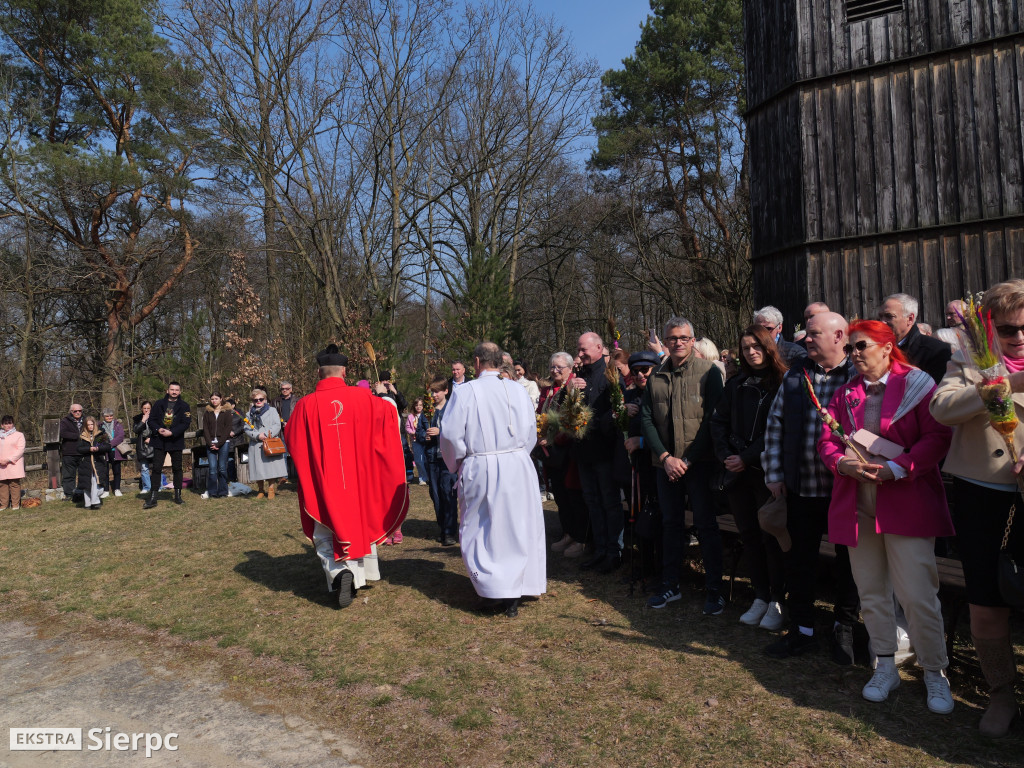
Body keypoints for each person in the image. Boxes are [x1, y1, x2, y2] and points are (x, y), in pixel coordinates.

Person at [819, 319, 954, 713]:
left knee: (917, 595)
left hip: (906, 503)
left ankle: (934, 671)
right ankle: (884, 664)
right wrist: (842, 465)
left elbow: (937, 437)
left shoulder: (918, 384)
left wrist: (901, 467)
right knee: (872, 592)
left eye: (861, 346)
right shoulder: (845, 394)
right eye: (851, 349)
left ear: (886, 346)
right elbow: (827, 440)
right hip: (859, 505)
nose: (854, 354)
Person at [931, 278, 1024, 736]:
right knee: (987, 603)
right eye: (1008, 329)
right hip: (982, 495)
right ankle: (1002, 694)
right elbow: (942, 409)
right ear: (990, 328)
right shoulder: (968, 359)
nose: (1019, 337)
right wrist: (998, 385)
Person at [761, 312, 862, 662]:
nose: (806, 339)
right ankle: (802, 630)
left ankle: (844, 630)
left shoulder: (858, 376)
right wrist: (774, 474)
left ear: (839, 337)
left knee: (849, 565)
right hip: (801, 489)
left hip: (845, 492)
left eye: (814, 334)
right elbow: (774, 428)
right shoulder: (794, 377)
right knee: (799, 563)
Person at [283, 344, 408, 608]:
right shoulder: (363, 398)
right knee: (360, 522)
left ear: (319, 373)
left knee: (325, 529)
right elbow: (389, 418)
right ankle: (359, 574)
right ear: (344, 371)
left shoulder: (305, 405)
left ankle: (340, 573)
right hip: (357, 480)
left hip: (324, 481)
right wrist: (386, 398)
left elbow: (292, 440)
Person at [440, 342, 546, 618]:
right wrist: (519, 455)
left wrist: (459, 460)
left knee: (481, 526)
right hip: (518, 463)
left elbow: (450, 435)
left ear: (476, 362)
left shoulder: (465, 392)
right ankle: (516, 587)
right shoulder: (518, 390)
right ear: (500, 361)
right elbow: (530, 430)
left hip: (482, 464)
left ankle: (495, 588)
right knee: (516, 525)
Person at [641, 317, 726, 614]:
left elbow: (713, 420)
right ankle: (670, 584)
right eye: (672, 338)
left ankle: (715, 590)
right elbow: (647, 419)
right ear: (665, 341)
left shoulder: (709, 373)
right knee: (671, 525)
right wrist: (666, 458)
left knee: (706, 525)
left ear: (692, 340)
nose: (678, 342)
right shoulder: (656, 377)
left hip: (698, 463)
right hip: (665, 465)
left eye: (683, 338)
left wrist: (687, 459)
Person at [711, 325, 789, 631]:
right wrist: (727, 456)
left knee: (771, 538)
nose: (751, 352)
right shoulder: (737, 383)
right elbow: (718, 421)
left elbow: (778, 430)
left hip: (766, 473)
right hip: (736, 473)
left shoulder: (782, 382)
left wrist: (747, 457)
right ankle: (759, 595)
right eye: (745, 348)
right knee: (750, 537)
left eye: (756, 346)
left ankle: (777, 599)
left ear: (768, 346)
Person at [573, 332, 626, 574]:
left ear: (598, 347)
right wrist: (570, 391)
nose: (581, 354)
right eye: (579, 350)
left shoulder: (610, 374)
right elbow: (568, 409)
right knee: (593, 502)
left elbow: (618, 408)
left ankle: (614, 552)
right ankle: (600, 549)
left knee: (609, 503)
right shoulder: (579, 375)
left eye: (584, 350)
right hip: (584, 451)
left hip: (604, 450)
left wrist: (598, 422)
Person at [537, 352, 588, 559]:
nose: (554, 371)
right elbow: (542, 413)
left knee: (573, 495)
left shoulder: (573, 388)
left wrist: (555, 438)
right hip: (552, 452)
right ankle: (568, 532)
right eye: (552, 367)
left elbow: (575, 418)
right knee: (560, 495)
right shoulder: (549, 390)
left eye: (559, 367)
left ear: (569, 369)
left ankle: (580, 537)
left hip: (569, 451)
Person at [417, 376, 458, 545]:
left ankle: (449, 532)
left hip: (447, 458)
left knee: (448, 493)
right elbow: (419, 432)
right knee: (436, 495)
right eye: (432, 392)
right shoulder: (428, 411)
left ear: (446, 391)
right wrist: (424, 436)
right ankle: (443, 528)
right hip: (432, 457)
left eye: (437, 391)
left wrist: (440, 432)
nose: (434, 395)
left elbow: (458, 431)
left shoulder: (453, 409)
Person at [878, 292, 951, 384]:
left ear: (910, 319)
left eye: (889, 316)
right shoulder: (875, 349)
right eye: (880, 317)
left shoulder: (936, 351)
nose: (882, 322)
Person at [144, 382, 191, 509]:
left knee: (177, 468)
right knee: (157, 468)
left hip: (175, 440)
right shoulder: (159, 404)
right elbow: (151, 420)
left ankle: (178, 495)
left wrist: (172, 432)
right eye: (172, 389)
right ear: (167, 390)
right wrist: (158, 429)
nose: (174, 392)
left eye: (177, 390)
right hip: (159, 440)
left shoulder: (184, 406)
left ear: (180, 392)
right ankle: (153, 497)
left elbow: (186, 423)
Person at [245, 388, 288, 499]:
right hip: (256, 444)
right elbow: (247, 428)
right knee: (257, 468)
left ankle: (271, 489)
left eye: (261, 399)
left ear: (265, 399)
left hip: (269, 442)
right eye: (256, 400)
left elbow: (277, 425)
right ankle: (260, 490)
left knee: (270, 467)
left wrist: (268, 434)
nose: (258, 401)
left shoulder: (272, 410)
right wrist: (257, 436)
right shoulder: (249, 413)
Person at [202, 392, 234, 499]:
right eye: (212, 399)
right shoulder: (207, 412)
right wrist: (210, 442)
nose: (214, 401)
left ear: (221, 399)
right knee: (212, 468)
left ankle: (223, 491)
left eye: (216, 398)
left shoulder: (227, 412)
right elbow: (205, 429)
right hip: (210, 443)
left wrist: (219, 443)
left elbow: (228, 428)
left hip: (223, 443)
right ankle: (212, 491)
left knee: (222, 468)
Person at [78, 415, 109, 510]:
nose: (91, 426)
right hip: (86, 463)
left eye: (92, 424)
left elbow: (107, 446)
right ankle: (87, 503)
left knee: (96, 482)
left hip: (98, 461)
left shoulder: (101, 434)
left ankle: (95, 501)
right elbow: (79, 449)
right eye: (88, 425)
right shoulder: (81, 436)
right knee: (87, 483)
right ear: (86, 426)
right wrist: (89, 449)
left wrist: (98, 448)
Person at [59, 404, 85, 501]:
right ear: (71, 412)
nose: (78, 412)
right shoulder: (65, 421)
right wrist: (78, 435)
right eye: (75, 411)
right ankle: (69, 494)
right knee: (69, 475)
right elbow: (62, 433)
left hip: (84, 451)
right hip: (69, 452)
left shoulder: (86, 420)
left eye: (80, 411)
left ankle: (83, 492)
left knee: (84, 474)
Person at [0, 415, 26, 510]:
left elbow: (20, 450)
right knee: (2, 485)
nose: (8, 425)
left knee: (14, 484)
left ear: (13, 424)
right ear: (2, 425)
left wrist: (8, 460)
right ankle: (4, 505)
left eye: (10, 423)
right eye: (6, 423)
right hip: (1, 464)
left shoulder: (19, 435)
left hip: (13, 463)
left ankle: (15, 505)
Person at [100, 408, 127, 497]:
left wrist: (111, 444)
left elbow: (120, 436)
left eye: (111, 416)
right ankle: (106, 490)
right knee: (105, 471)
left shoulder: (117, 424)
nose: (109, 417)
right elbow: (98, 437)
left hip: (115, 451)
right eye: (107, 416)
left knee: (117, 471)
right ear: (103, 417)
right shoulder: (100, 425)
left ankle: (117, 489)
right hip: (104, 452)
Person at [405, 398, 428, 485]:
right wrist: (412, 432)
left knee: (426, 460)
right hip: (415, 440)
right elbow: (407, 427)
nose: (418, 407)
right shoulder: (411, 416)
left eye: (420, 405)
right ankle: (422, 478)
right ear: (414, 406)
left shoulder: (426, 415)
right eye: (417, 405)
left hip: (425, 440)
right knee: (418, 460)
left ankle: (428, 476)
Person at [133, 401, 154, 493]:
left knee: (156, 467)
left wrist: (151, 438)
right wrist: (143, 420)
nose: (146, 410)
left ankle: (158, 486)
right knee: (144, 468)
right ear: (141, 408)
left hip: (154, 445)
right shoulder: (137, 418)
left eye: (148, 408)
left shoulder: (155, 417)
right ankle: (146, 487)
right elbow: (136, 430)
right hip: (142, 446)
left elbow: (159, 430)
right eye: (144, 408)